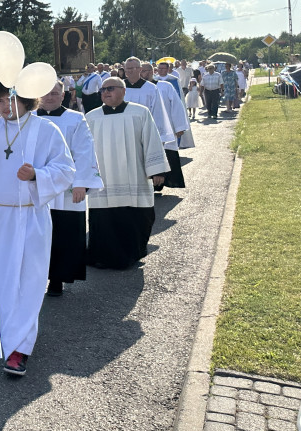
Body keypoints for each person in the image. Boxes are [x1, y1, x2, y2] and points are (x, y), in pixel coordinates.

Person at [0, 77, 74, 377]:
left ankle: (19, 348)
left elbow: (66, 170)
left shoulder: (47, 130)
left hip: (29, 217)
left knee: (28, 282)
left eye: (11, 100)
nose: (5, 107)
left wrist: (37, 174)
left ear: (27, 99)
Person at [85, 78, 168, 270]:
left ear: (123, 91)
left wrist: (157, 170)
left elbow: (151, 141)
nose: (105, 92)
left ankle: (132, 253)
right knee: (104, 220)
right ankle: (101, 257)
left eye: (110, 88)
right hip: (104, 180)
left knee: (134, 218)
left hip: (135, 176)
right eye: (103, 89)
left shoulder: (139, 113)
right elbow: (84, 150)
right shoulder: (91, 117)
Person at [36, 81, 103, 297]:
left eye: (55, 93)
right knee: (36, 235)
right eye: (45, 93)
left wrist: (81, 183)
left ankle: (57, 279)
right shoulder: (29, 119)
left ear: (63, 95)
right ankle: (33, 278)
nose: (50, 97)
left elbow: (85, 151)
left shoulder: (75, 119)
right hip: (36, 186)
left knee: (62, 235)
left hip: (65, 191)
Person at [142, 62, 190, 191]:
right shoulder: (136, 89)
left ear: (153, 71)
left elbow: (176, 106)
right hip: (143, 129)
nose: (144, 73)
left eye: (147, 71)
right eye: (142, 71)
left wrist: (179, 126)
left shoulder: (165, 86)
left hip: (163, 127)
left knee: (164, 155)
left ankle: (159, 184)